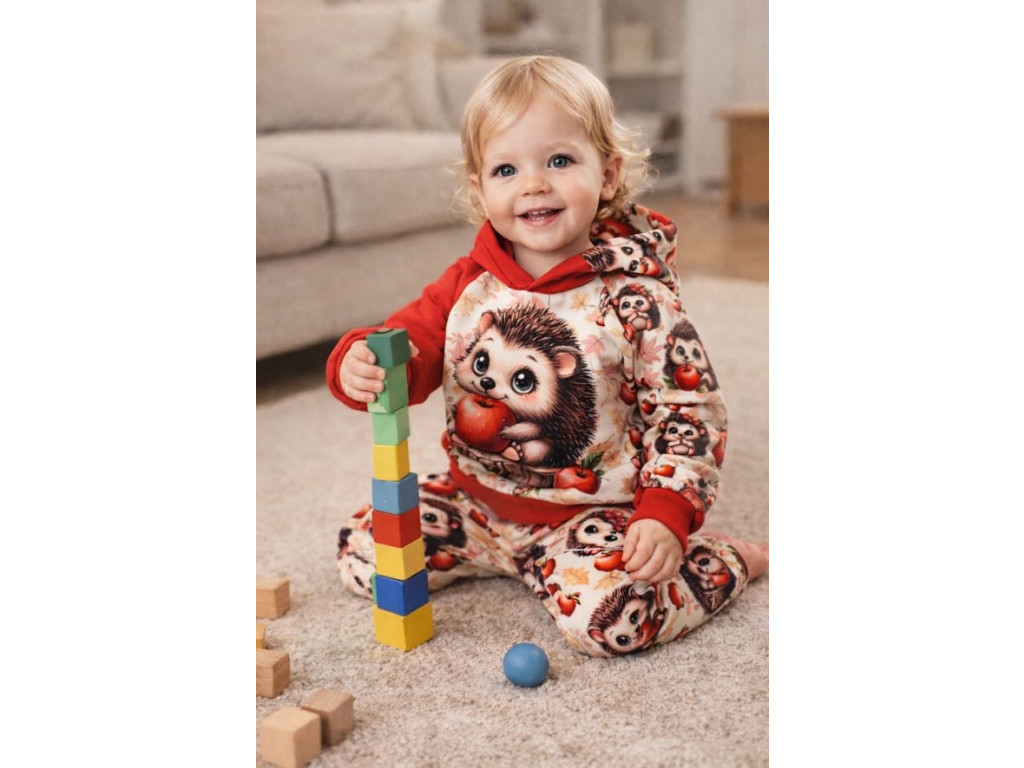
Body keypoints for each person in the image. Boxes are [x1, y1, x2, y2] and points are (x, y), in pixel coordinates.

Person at [326, 55, 767, 657]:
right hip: (475, 502)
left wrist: (666, 511)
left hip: (590, 514)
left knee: (613, 622)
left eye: (559, 161)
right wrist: (363, 363)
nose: (533, 184)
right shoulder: (470, 282)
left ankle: (723, 560)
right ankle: (506, 558)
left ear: (607, 174)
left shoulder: (637, 301)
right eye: (506, 169)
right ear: (481, 190)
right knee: (363, 552)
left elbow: (688, 412)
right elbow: (410, 343)